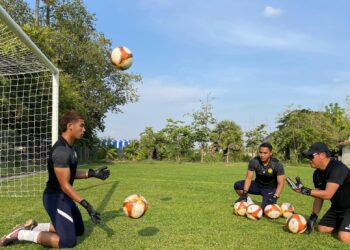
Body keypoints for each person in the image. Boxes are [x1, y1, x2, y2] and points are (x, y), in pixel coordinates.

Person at [0, 111, 110, 248]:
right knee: (68, 241)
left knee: (79, 230)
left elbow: (69, 173)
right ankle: (21, 234)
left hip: (65, 197)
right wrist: (87, 205)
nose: (84, 129)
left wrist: (92, 173)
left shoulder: (70, 148)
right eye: (81, 126)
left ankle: (35, 226)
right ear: (70, 126)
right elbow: (65, 185)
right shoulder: (61, 151)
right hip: (55, 198)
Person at [286, 142, 350, 243]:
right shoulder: (317, 174)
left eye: (311, 156)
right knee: (322, 228)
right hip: (337, 208)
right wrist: (313, 218)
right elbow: (319, 196)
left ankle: (345, 228)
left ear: (323, 155)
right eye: (308, 156)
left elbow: (328, 194)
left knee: (344, 237)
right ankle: (344, 224)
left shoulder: (338, 168)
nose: (309, 159)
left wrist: (305, 190)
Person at [233, 142, 285, 209]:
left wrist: (276, 196)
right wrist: (244, 194)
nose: (262, 155)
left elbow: (281, 183)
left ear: (270, 153)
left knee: (265, 210)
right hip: (257, 185)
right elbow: (248, 178)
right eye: (260, 152)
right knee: (237, 185)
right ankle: (249, 202)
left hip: (270, 189)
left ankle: (268, 202)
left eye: (265, 153)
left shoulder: (277, 164)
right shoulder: (254, 161)